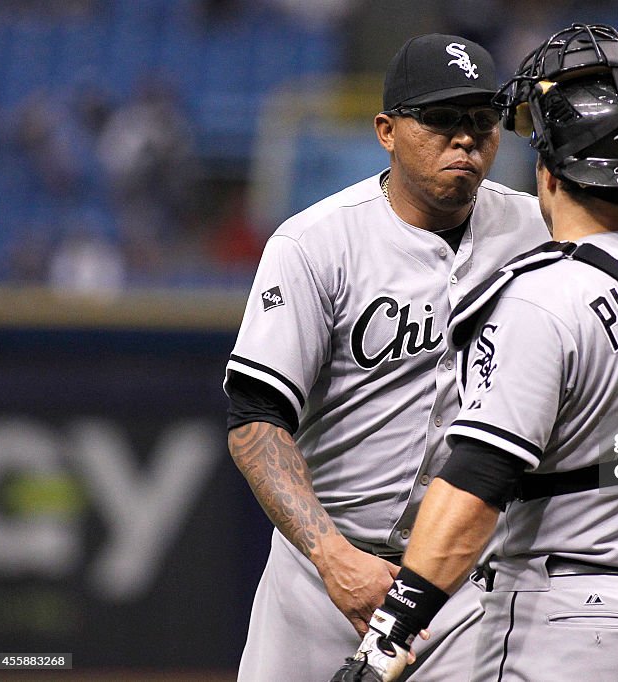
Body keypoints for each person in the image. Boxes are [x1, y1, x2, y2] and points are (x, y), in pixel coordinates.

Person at [331, 24, 618, 682]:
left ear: (549, 172)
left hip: (567, 617)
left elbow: (476, 484)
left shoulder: (540, 297)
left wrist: (389, 636)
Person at [224, 33, 549, 681]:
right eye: (441, 119)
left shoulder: (539, 232)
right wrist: (332, 557)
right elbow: (256, 420)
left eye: (483, 121)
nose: (466, 139)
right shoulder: (316, 242)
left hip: (467, 587)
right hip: (322, 578)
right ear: (386, 130)